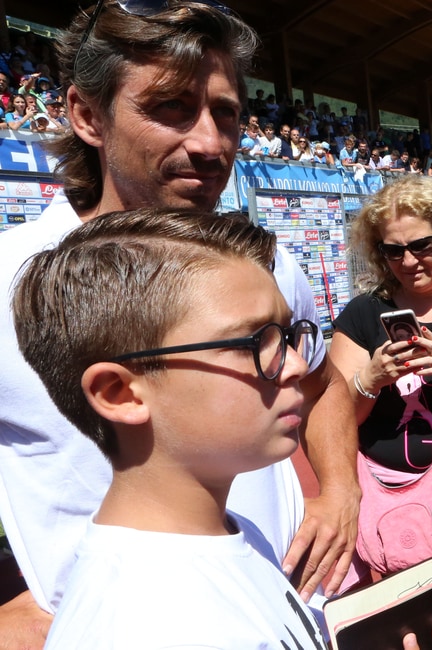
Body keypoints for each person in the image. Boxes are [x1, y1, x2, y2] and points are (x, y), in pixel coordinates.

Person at [0, 3, 360, 644]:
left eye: (226, 112)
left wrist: (338, 491)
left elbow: (322, 381)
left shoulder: (264, 267)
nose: (210, 143)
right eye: (170, 107)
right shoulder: (11, 280)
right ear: (87, 115)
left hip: (279, 611)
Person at [14, 209, 327, 648]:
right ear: (120, 393)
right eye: (256, 342)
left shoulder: (228, 534)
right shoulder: (148, 627)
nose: (295, 365)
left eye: (289, 336)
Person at [329, 174, 432, 584]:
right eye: (393, 250)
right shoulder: (363, 314)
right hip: (390, 500)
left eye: (422, 245)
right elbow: (333, 420)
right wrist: (370, 379)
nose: (408, 261)